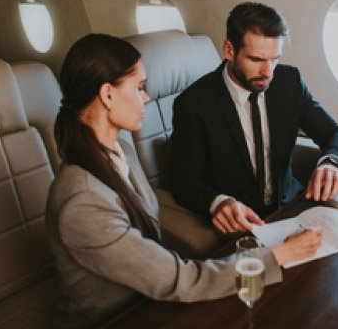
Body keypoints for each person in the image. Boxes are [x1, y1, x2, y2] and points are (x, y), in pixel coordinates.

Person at [45, 33, 323, 329]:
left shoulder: (119, 150)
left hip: (148, 298)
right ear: (107, 94)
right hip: (115, 319)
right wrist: (280, 254)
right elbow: (179, 280)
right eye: (139, 87)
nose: (146, 98)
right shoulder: (84, 201)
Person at [171, 2, 338, 235]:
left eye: (274, 59)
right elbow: (184, 180)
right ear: (229, 50)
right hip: (241, 223)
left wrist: (331, 163)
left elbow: (333, 133)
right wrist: (218, 203)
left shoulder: (289, 82)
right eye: (256, 60)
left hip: (292, 208)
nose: (268, 72)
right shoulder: (194, 103)